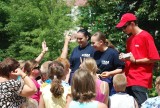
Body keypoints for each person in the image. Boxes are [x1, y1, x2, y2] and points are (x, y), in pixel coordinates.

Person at [116, 13, 160, 107]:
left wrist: (135, 61)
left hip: (140, 79)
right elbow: (132, 57)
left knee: (143, 105)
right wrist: (125, 58)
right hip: (128, 80)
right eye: (122, 28)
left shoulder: (146, 36)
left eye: (124, 27)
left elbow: (154, 58)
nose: (123, 30)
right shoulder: (129, 39)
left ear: (132, 23)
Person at [91, 31, 125, 95]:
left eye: (93, 43)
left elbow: (120, 69)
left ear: (101, 42)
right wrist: (95, 75)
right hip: (97, 83)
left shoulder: (113, 53)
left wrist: (109, 73)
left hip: (110, 85)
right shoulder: (94, 53)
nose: (92, 45)